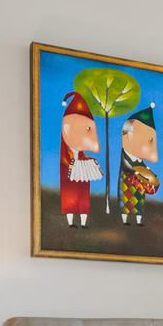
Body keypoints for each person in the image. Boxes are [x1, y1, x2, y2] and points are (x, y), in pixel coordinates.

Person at [58, 91, 101, 227]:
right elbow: (65, 161)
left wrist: (91, 164)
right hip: (69, 180)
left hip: (82, 181)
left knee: (83, 198)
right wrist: (70, 165)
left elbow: (85, 158)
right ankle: (70, 223)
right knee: (70, 198)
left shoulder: (82, 154)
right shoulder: (65, 153)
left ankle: (83, 223)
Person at [116, 106, 161, 224]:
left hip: (139, 182)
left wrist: (148, 172)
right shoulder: (125, 156)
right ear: (127, 136)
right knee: (126, 200)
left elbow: (141, 166)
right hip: (127, 180)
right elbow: (127, 166)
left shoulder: (140, 161)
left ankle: (138, 220)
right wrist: (136, 172)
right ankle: (125, 220)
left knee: (139, 201)